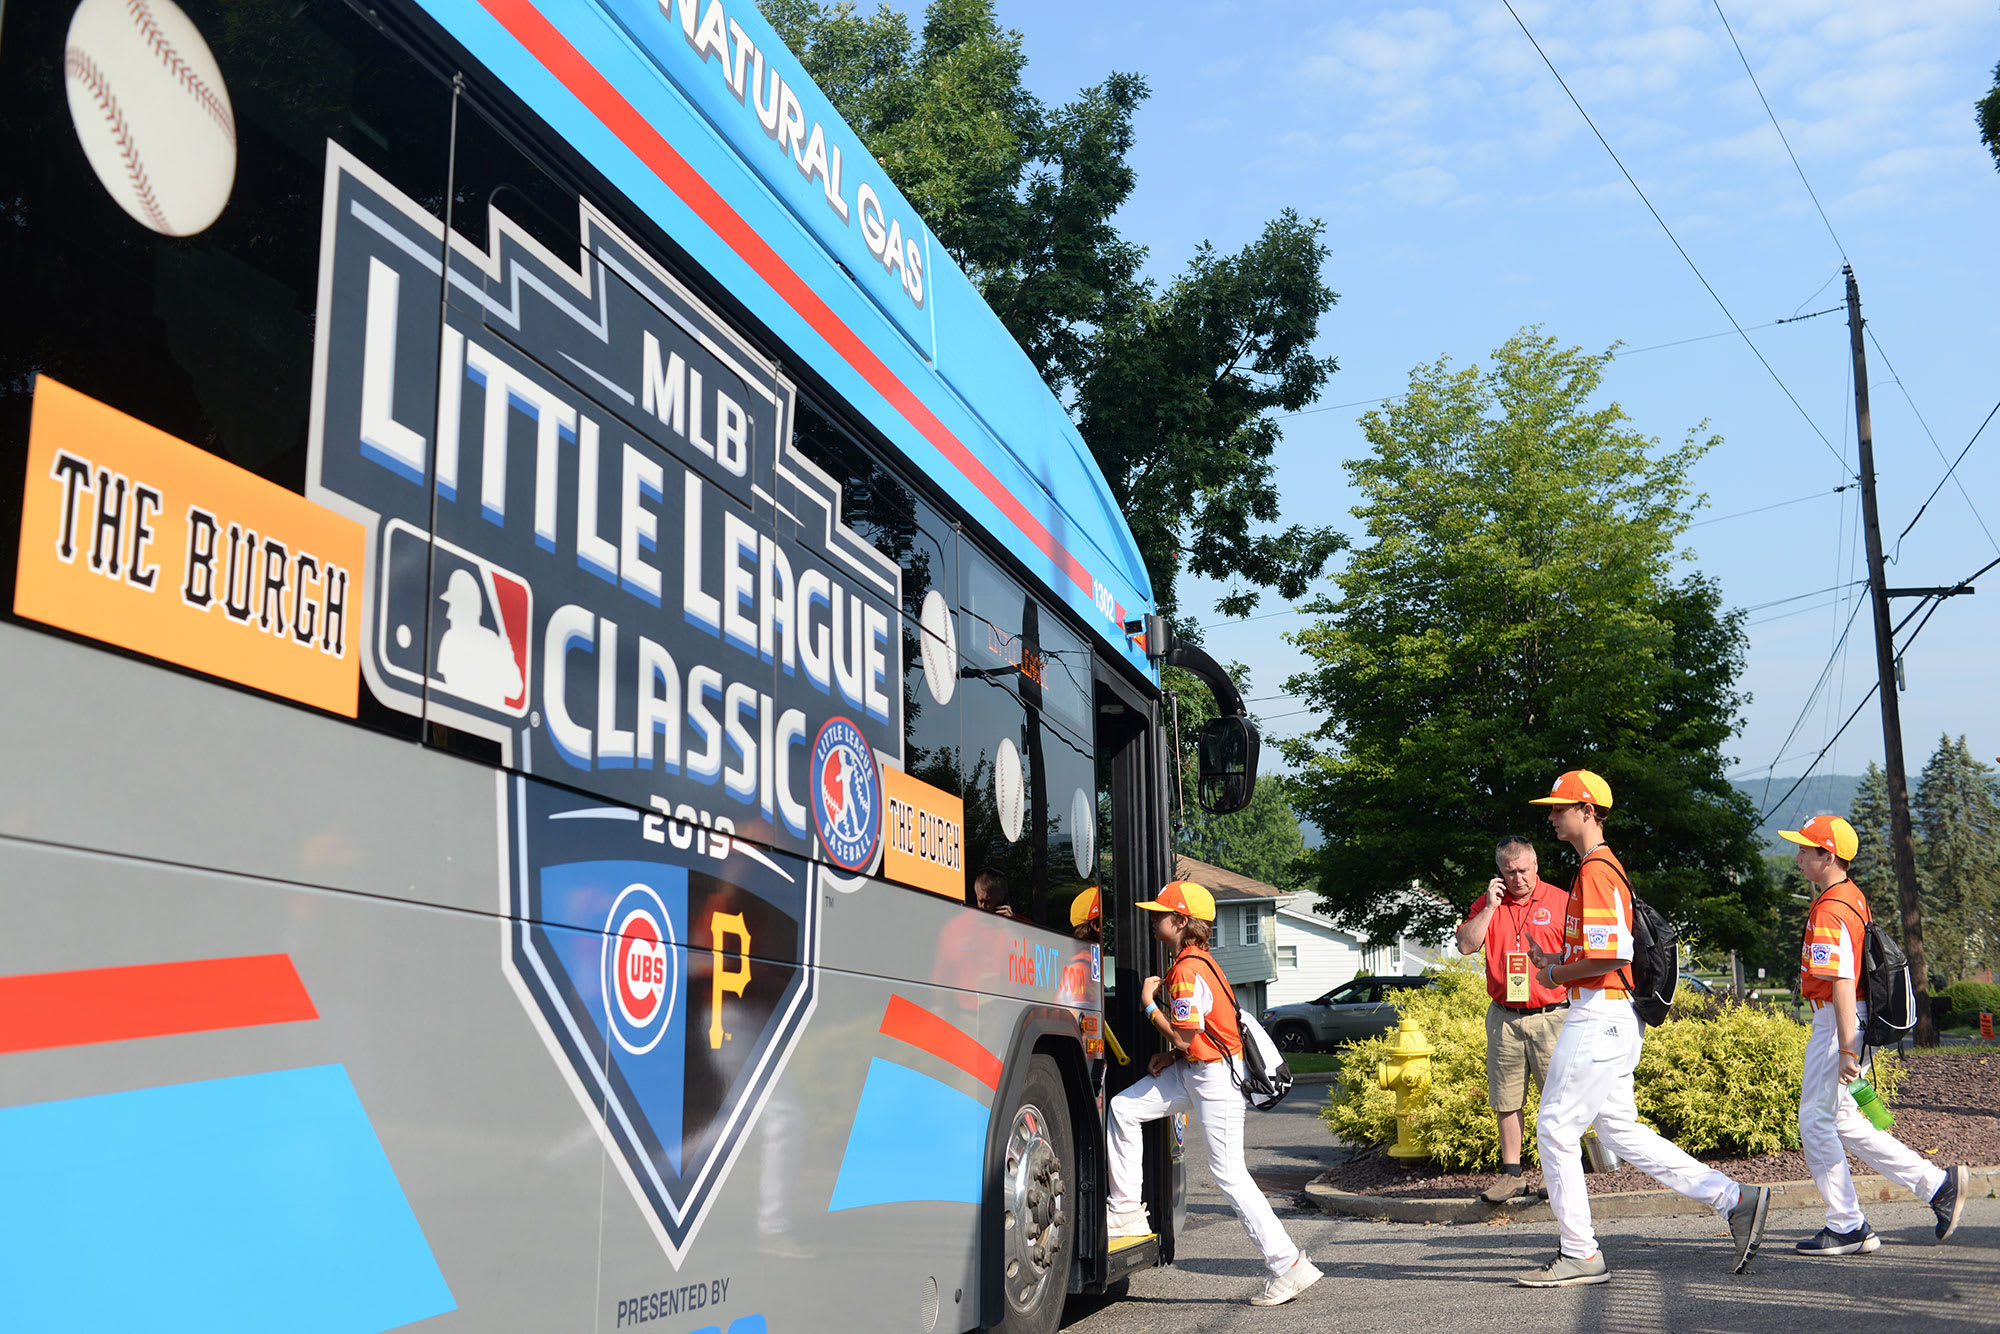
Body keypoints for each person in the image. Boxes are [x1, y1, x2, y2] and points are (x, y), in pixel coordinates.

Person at [1517, 769, 1771, 1287]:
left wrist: (1554, 974)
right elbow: (1601, 949)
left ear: (1587, 812)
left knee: (1554, 1129)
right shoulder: (1600, 869)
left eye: (1560, 807)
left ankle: (1581, 1253)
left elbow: (1613, 953)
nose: (1551, 815)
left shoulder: (1596, 871)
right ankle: (1734, 1199)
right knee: (1618, 1130)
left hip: (1599, 1015)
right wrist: (1559, 957)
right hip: (1613, 1017)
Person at [1104, 880, 1321, 1307]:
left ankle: (1288, 1265)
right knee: (1123, 1108)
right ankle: (1126, 1211)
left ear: (1181, 922)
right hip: (1195, 1072)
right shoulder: (1199, 960)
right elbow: (1194, 1039)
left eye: (1159, 915)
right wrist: (1171, 1057)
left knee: (1230, 1174)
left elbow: (1187, 1038)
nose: (1151, 921)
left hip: (1213, 1079)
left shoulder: (1186, 969)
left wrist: (1148, 1004)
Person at [1781, 814, 1969, 1254]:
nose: (1798, 857)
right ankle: (1937, 1186)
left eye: (1805, 850)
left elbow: (1841, 981)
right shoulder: (1851, 896)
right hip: (1851, 1019)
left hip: (1838, 1021)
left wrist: (1847, 1047)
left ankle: (1847, 1225)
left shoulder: (1830, 907)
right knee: (1842, 1119)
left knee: (1815, 1121)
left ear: (1828, 856)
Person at [1454, 835, 1569, 1204]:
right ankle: (1512, 1176)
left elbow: (1580, 955)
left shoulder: (1561, 901)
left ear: (1536, 866)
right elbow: (1466, 945)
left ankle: (1558, 1174)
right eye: (1509, 872)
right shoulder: (1487, 904)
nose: (1518, 879)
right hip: (1505, 1017)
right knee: (1506, 1099)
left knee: (1557, 1099)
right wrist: (1489, 907)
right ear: (1499, 873)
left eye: (1524, 871)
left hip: (1552, 1015)